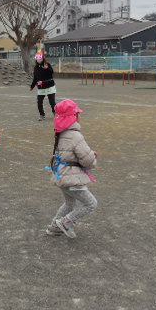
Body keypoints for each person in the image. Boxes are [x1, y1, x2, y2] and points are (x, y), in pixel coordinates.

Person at [46, 99, 98, 239]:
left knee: (69, 203)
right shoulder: (75, 135)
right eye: (78, 113)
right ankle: (65, 222)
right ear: (73, 117)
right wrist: (93, 157)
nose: (81, 116)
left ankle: (54, 227)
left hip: (62, 175)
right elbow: (88, 161)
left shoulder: (61, 133)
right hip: (72, 179)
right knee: (91, 203)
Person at [30, 49, 57, 120]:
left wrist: (47, 69)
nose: (39, 59)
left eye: (40, 58)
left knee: (52, 102)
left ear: (42, 58)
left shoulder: (47, 64)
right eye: (38, 58)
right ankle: (42, 115)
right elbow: (35, 78)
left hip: (49, 86)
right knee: (39, 102)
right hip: (41, 87)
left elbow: (51, 72)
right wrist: (32, 86)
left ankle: (55, 113)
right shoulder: (36, 67)